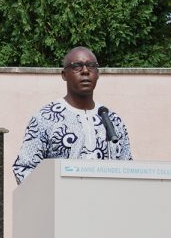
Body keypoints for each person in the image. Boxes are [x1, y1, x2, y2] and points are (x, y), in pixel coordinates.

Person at [12, 46, 134, 184]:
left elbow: (128, 169)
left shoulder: (112, 120)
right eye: (77, 66)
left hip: (106, 203)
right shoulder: (45, 118)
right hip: (61, 203)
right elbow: (23, 169)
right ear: (64, 75)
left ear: (98, 74)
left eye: (91, 66)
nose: (85, 71)